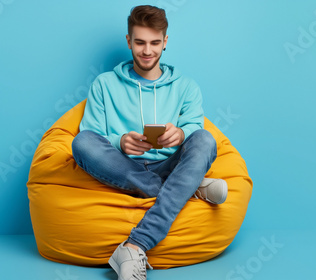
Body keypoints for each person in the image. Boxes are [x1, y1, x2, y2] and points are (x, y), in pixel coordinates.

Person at [71, 5, 228, 280]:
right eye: (140, 42)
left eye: (155, 42)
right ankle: (187, 187)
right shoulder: (105, 84)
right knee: (81, 143)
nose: (147, 51)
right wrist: (120, 141)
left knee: (204, 139)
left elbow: (194, 126)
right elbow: (91, 133)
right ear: (129, 41)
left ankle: (135, 245)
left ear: (165, 42)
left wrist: (180, 134)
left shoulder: (186, 86)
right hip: (122, 166)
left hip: (170, 161)